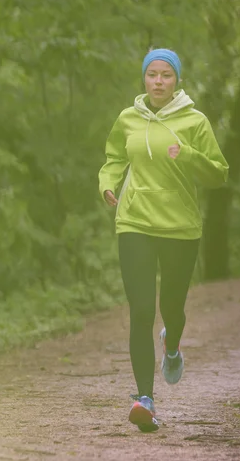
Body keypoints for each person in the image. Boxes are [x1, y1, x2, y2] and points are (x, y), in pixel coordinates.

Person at [98, 48, 229, 432]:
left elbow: (218, 173)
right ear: (144, 78)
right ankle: (145, 400)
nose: (158, 81)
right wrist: (107, 184)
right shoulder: (127, 119)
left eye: (165, 75)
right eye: (152, 74)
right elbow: (113, 159)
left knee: (172, 307)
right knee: (140, 311)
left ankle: (172, 345)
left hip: (179, 227)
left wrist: (187, 154)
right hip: (134, 222)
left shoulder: (194, 120)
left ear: (177, 80)